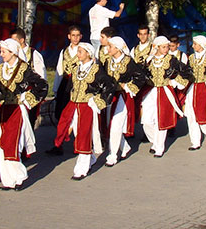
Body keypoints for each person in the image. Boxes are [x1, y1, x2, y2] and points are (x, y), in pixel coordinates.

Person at [48, 43, 114, 179]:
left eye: (80, 51)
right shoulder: (77, 68)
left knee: (84, 135)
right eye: (78, 51)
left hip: (87, 107)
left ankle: (81, 169)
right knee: (77, 134)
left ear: (88, 54)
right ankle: (89, 158)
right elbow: (70, 87)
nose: (78, 54)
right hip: (74, 105)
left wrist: (97, 101)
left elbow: (109, 87)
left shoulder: (97, 69)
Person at [0, 39, 48, 190]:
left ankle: (19, 176)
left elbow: (42, 86)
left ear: (13, 52)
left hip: (17, 110)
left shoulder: (24, 69)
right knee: (2, 144)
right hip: (3, 112)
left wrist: (26, 98)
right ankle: (8, 181)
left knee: (12, 143)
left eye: (4, 51)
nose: (1, 54)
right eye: (1, 51)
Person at [141, 36, 193, 157]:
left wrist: (174, 82)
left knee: (161, 120)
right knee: (146, 121)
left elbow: (187, 71)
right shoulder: (149, 59)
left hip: (164, 91)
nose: (166, 49)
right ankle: (154, 141)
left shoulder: (172, 60)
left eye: (167, 47)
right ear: (157, 47)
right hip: (151, 90)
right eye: (164, 47)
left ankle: (159, 147)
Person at [102, 36, 146, 166]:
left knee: (116, 125)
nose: (107, 49)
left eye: (110, 46)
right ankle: (125, 147)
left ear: (117, 48)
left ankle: (113, 155)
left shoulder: (128, 62)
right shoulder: (107, 61)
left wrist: (127, 86)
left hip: (122, 97)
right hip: (111, 97)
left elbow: (140, 77)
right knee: (111, 124)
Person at [185, 35, 206, 150]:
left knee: (202, 114)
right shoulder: (191, 58)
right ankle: (195, 142)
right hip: (193, 88)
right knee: (191, 115)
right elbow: (187, 71)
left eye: (195, 44)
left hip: (204, 88)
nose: (193, 46)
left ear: (201, 45)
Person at [52, 25, 82, 121]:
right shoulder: (64, 51)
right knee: (63, 109)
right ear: (69, 36)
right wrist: (56, 88)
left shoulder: (85, 50)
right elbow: (59, 69)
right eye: (73, 35)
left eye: (77, 35)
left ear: (81, 36)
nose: (75, 38)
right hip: (65, 83)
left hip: (79, 83)